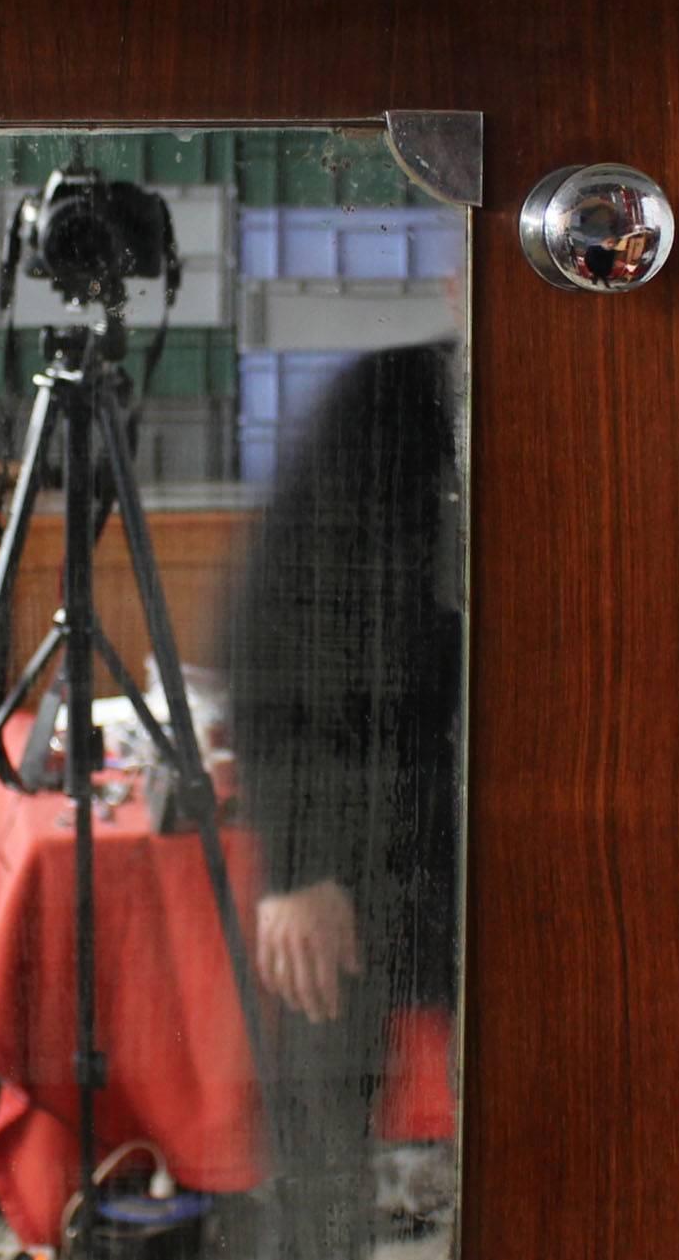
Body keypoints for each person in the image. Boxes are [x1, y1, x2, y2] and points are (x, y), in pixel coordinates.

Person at [219, 339, 463, 1247]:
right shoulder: (386, 399)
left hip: (508, 829)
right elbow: (271, 627)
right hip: (356, 834)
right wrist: (301, 862)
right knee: (322, 1138)